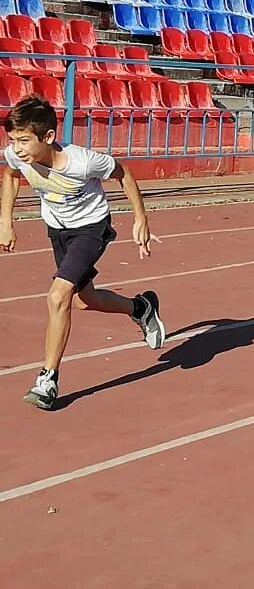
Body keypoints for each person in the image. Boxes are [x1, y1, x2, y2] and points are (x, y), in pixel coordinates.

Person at [0, 95, 166, 410]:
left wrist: (140, 219)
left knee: (58, 295)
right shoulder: (16, 156)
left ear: (48, 137)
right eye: (12, 140)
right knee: (83, 298)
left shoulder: (83, 161)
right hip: (58, 231)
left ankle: (47, 379)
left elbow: (124, 173)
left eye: (23, 140)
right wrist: (5, 221)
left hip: (91, 229)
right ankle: (140, 308)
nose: (17, 147)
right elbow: (9, 176)